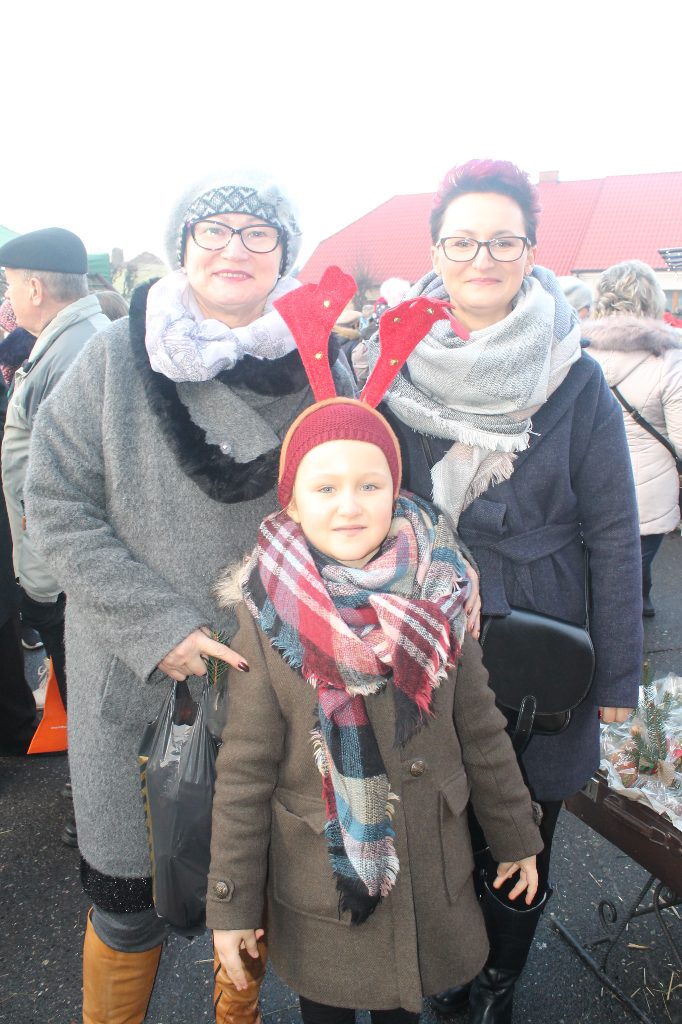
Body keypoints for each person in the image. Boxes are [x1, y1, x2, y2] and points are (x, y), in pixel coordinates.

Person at [23, 170, 356, 1024]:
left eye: (257, 233)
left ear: (285, 252)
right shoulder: (111, 356)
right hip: (135, 680)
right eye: (213, 232)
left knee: (241, 902)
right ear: (182, 249)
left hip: (272, 680)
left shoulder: (324, 360)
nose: (233, 249)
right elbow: (53, 500)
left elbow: (366, 499)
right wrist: (157, 626)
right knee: (125, 911)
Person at [207, 292, 543, 1022]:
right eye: (324, 487)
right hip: (323, 883)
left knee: (404, 1009)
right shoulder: (267, 615)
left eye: (370, 484)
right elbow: (243, 770)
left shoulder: (440, 595)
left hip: (427, 870)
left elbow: (480, 729)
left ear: (398, 491)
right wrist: (231, 905)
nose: (349, 504)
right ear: (292, 503)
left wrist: (517, 834)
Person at [371, 158, 643, 1023]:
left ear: (530, 251)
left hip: (544, 631)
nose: (481, 256)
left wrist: (616, 680)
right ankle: (448, 969)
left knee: (523, 826)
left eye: (503, 239)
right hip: (429, 628)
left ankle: (500, 982)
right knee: (438, 817)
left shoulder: (577, 377)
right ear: (435, 250)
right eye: (462, 239)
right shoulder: (392, 363)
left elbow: (612, 530)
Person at [0, 228, 109, 712]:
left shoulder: (72, 352)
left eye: (9, 284)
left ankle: (100, 780)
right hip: (61, 560)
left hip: (65, 567)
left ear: (35, 289)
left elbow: (71, 474)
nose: (8, 297)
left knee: (84, 683)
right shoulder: (72, 341)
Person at [583, 259, 682, 617]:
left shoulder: (576, 351)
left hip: (589, 486)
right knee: (638, 559)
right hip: (650, 494)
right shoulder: (670, 359)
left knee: (598, 561)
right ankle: (637, 601)